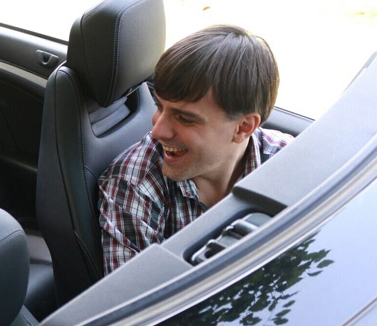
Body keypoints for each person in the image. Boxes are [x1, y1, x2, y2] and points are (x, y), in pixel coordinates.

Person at [98, 25, 294, 274]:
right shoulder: (135, 183)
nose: (158, 131)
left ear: (243, 127)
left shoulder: (288, 163)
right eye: (159, 106)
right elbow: (133, 292)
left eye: (184, 118)